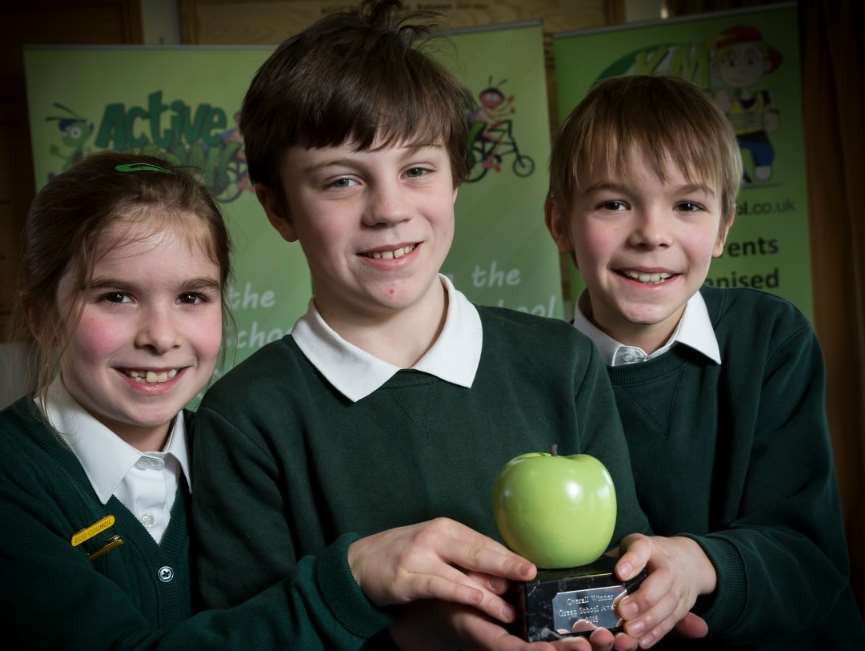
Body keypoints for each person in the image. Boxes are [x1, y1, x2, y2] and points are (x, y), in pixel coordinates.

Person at [189, 3, 693, 649]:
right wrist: (407, 637)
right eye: (341, 181)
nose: (389, 210)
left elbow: (616, 566)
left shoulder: (560, 361)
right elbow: (247, 632)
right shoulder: (246, 415)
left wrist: (636, 614)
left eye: (417, 169)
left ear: (456, 176)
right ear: (278, 208)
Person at [0, 151, 549, 650]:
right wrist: (349, 581)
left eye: (193, 297)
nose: (161, 336)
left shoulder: (240, 447)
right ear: (41, 313)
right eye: (115, 296)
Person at [545, 75, 865, 649]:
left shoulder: (770, 338)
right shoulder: (531, 373)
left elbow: (809, 557)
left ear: (722, 230)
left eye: (687, 205)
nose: (652, 234)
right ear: (560, 222)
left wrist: (696, 565)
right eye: (614, 203)